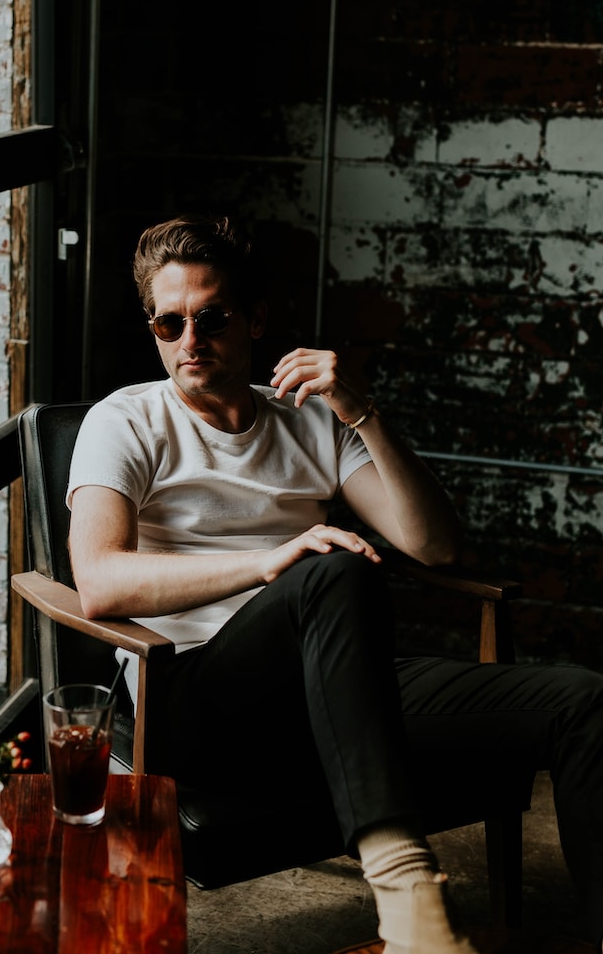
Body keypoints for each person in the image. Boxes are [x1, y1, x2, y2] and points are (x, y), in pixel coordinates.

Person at [66, 213, 603, 954]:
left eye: (211, 317)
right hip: (194, 701)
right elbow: (97, 580)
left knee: (580, 700)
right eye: (168, 323)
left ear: (255, 318)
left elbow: (436, 545)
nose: (189, 341)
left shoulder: (310, 417)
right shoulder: (124, 421)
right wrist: (271, 562)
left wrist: (361, 409)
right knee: (332, 571)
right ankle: (408, 894)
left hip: (336, 683)